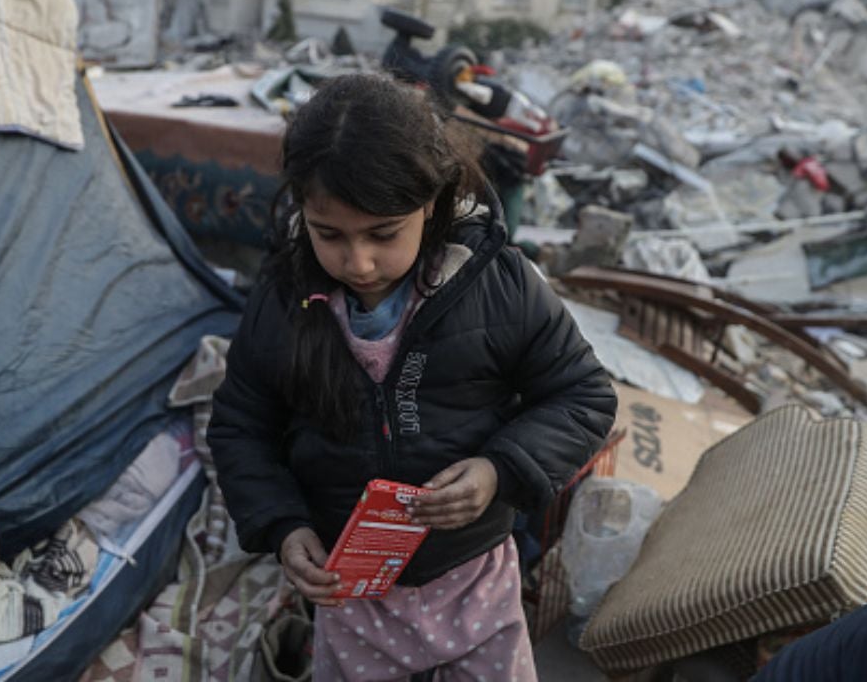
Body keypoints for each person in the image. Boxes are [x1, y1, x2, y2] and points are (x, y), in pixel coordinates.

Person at [207, 73, 617, 681]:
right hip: (351, 587)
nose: (358, 262)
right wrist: (285, 526)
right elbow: (241, 427)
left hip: (472, 575)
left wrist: (498, 469)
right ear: (302, 211)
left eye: (383, 234)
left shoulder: (498, 285)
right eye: (330, 235)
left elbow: (583, 395)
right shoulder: (283, 300)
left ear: (430, 204)